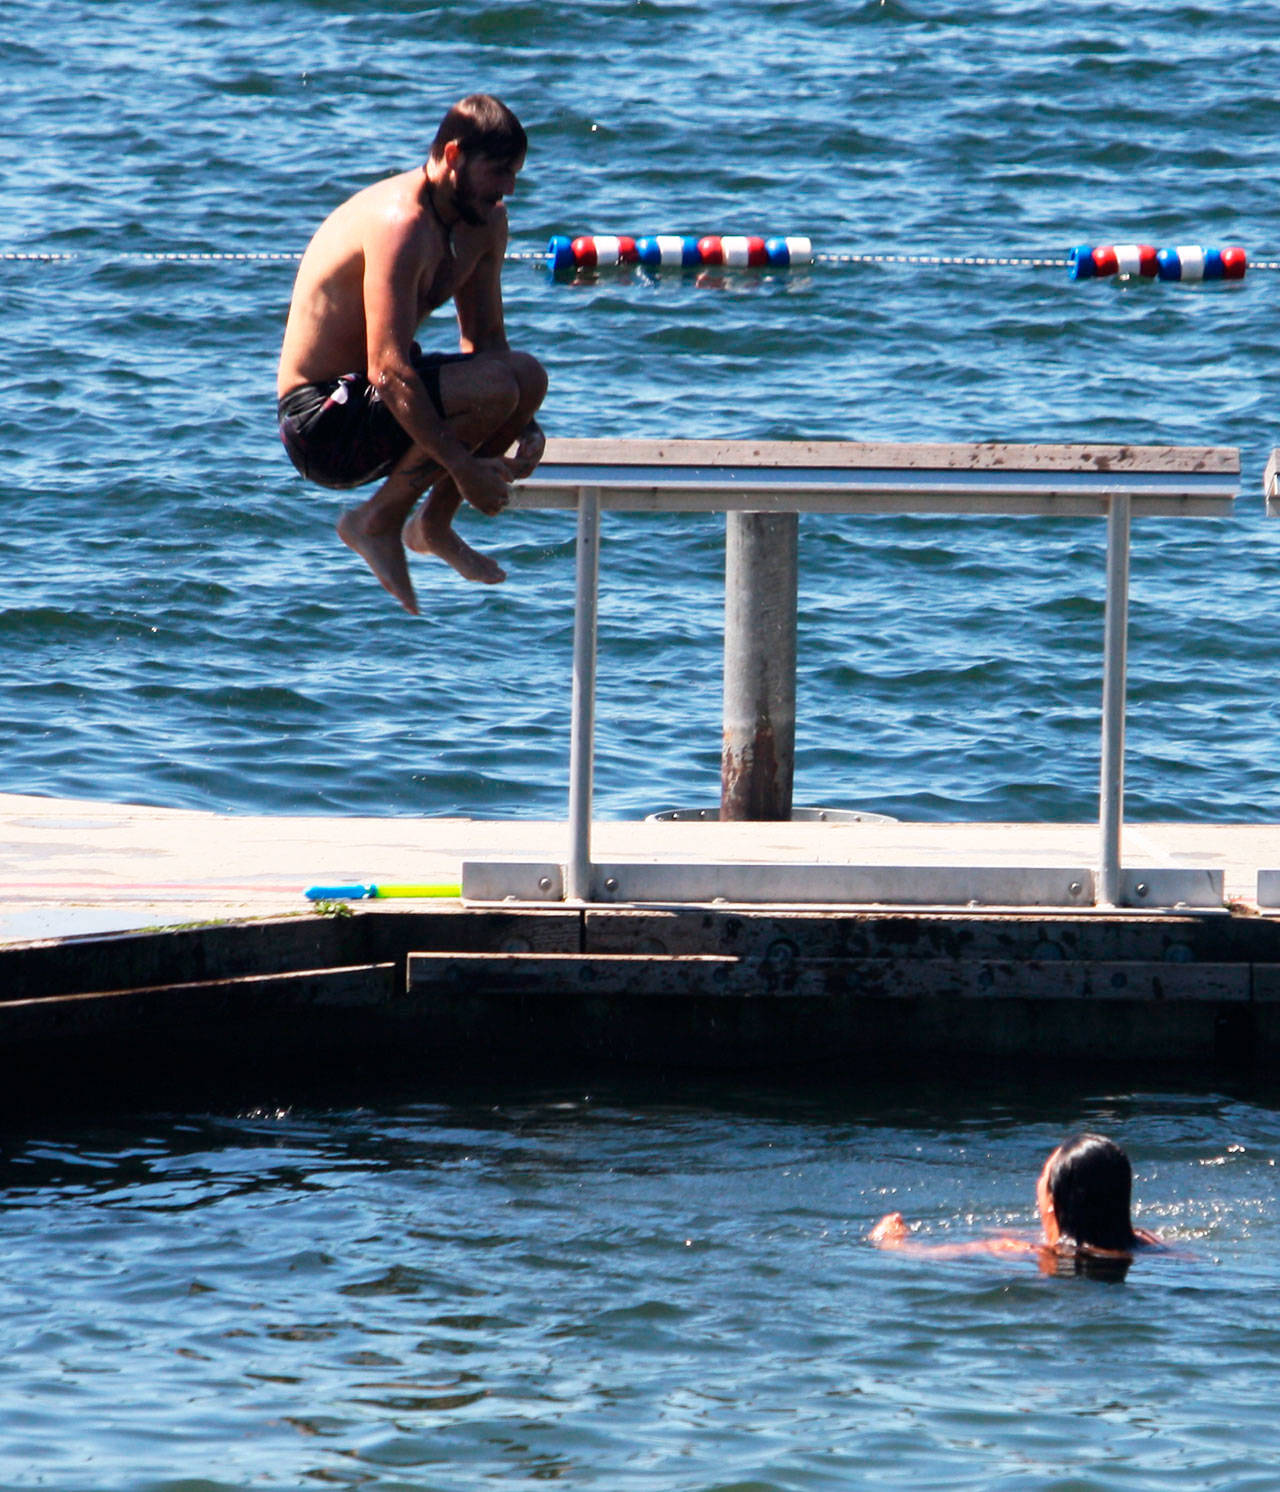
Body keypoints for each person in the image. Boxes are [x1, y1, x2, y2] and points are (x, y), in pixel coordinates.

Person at [277, 94, 547, 615]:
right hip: (320, 421)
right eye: (498, 172)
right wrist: (464, 468)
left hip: (376, 397)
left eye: (515, 173)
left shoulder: (485, 222)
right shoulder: (400, 224)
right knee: (495, 388)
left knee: (526, 378)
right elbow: (388, 370)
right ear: (452, 155)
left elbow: (488, 342)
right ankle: (375, 521)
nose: (508, 188)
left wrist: (524, 421)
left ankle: (432, 526)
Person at [870, 1133, 1162, 1274]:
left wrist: (890, 1240)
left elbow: (924, 1255)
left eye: (1042, 1176)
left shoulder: (1020, 1251)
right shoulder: (1147, 1242)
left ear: (1053, 1201)